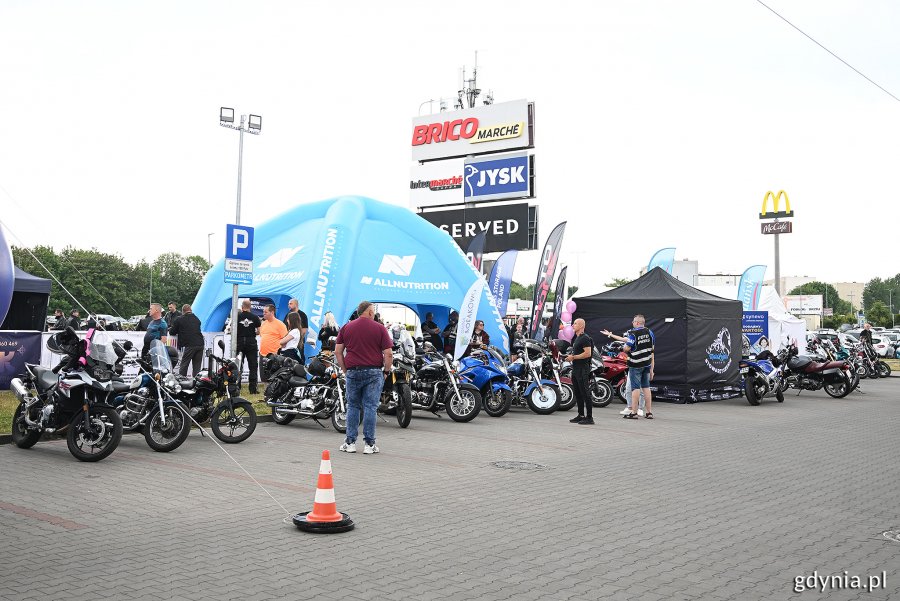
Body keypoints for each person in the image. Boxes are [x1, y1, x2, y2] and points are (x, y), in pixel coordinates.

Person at [335, 300, 393, 455]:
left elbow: (338, 351)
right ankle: (369, 444)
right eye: (372, 311)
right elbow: (388, 353)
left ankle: (350, 442)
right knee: (370, 407)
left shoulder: (347, 327)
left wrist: (345, 370)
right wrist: (386, 372)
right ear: (368, 312)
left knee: (353, 406)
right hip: (374, 372)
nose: (373, 314)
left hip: (353, 371)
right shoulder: (380, 328)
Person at [603, 326, 647, 417]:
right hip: (632, 365)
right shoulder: (632, 338)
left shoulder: (645, 339)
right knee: (628, 388)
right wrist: (610, 334)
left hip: (642, 365)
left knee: (641, 389)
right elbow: (622, 339)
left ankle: (640, 409)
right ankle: (629, 407)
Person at [620, 315, 655, 420]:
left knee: (635, 389)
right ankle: (649, 413)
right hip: (647, 364)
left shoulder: (633, 334)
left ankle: (634, 412)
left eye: (634, 321)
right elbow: (652, 350)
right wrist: (652, 368)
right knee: (646, 388)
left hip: (635, 365)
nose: (632, 323)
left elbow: (627, 348)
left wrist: (623, 348)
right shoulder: (650, 332)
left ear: (638, 323)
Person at [565, 318, 594, 425]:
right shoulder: (577, 338)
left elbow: (588, 353)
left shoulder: (585, 338)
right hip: (576, 369)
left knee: (585, 393)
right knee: (578, 393)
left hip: (583, 369)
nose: (573, 325)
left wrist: (573, 357)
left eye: (575, 323)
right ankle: (581, 415)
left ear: (581, 326)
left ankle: (589, 417)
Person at [167, 304, 203, 376]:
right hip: (200, 344)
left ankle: (182, 380)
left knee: (184, 365)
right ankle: (196, 382)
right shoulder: (197, 319)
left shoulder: (179, 319)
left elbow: (172, 332)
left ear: (183, 311)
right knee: (197, 367)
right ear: (191, 310)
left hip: (189, 344)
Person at [236, 299, 261, 394]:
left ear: (242, 307)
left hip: (240, 342)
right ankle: (253, 389)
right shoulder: (255, 317)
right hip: (251, 343)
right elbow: (258, 331)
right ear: (250, 307)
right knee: (253, 366)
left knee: (238, 366)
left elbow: (233, 330)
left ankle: (237, 387)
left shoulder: (237, 317)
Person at [259, 304, 288, 382]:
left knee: (273, 376)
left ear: (272, 312)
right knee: (264, 377)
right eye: (263, 311)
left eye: (265, 312)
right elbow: (262, 336)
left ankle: (272, 392)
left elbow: (285, 339)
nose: (263, 313)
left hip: (274, 355)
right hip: (262, 354)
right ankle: (266, 392)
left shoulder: (280, 324)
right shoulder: (263, 323)